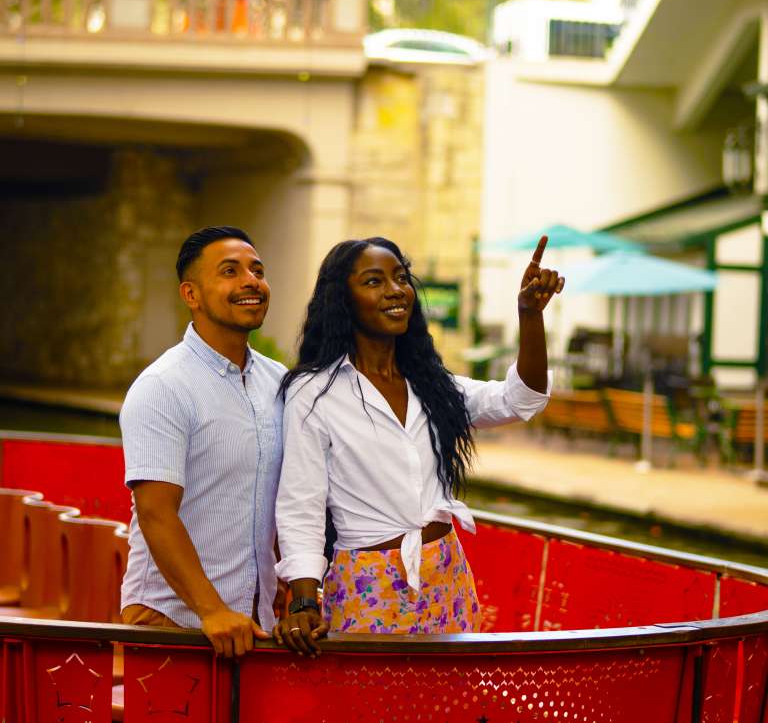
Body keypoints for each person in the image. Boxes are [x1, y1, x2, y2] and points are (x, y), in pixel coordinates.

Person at [273, 235, 563, 656]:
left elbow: (519, 401)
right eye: (374, 281)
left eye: (401, 277)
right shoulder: (313, 392)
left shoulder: (430, 384)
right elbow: (301, 504)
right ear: (343, 300)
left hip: (445, 574)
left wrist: (529, 316)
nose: (395, 290)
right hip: (367, 587)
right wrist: (302, 599)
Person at [120, 226, 286, 658]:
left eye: (257, 270)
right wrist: (211, 610)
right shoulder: (163, 386)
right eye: (229, 271)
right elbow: (155, 514)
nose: (251, 281)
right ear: (191, 295)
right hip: (173, 619)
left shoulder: (280, 383)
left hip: (255, 622)